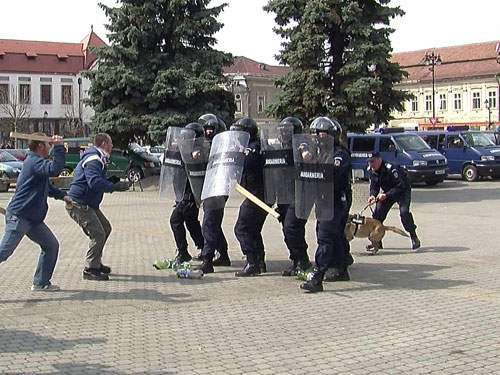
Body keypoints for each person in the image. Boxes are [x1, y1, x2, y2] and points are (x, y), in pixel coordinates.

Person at [0, 134, 71, 291]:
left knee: (51, 246)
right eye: (49, 145)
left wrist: (63, 196)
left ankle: (41, 282)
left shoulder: (35, 163)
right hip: (20, 216)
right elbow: (55, 169)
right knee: (3, 252)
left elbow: (46, 187)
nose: (50, 148)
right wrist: (59, 146)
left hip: (33, 219)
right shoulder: (34, 162)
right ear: (40, 146)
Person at [66, 133, 129, 281]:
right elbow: (94, 182)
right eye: (111, 143)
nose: (112, 146)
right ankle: (90, 269)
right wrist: (114, 187)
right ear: (103, 144)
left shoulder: (98, 157)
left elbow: (96, 179)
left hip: (87, 202)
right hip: (78, 203)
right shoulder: (94, 159)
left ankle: (96, 262)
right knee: (98, 234)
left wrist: (110, 180)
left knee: (105, 228)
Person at [300, 117, 352, 293]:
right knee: (335, 236)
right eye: (317, 133)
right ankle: (342, 267)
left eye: (323, 133)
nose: (319, 137)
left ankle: (318, 277)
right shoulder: (319, 153)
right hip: (322, 201)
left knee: (325, 237)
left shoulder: (340, 154)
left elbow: (331, 174)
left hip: (335, 201)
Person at [153, 123, 205, 268]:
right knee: (191, 221)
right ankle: (204, 247)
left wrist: (191, 155)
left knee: (175, 220)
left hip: (189, 195)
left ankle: (183, 252)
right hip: (182, 195)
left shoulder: (199, 152)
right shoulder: (183, 150)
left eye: (186, 138)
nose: (182, 140)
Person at [273, 117, 313, 277]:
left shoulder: (302, 143)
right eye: (282, 130)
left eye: (287, 130)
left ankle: (303, 260)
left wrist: (305, 153)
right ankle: (296, 260)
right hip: (285, 194)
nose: (283, 133)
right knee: (287, 228)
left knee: (292, 226)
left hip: (301, 192)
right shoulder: (281, 147)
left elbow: (306, 151)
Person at [232, 117, 268, 276]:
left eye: (241, 131)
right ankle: (259, 262)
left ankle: (253, 262)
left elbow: (244, 164)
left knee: (242, 228)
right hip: (255, 194)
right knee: (253, 229)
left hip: (257, 195)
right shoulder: (250, 147)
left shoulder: (253, 148)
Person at [196, 113, 230, 273]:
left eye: (211, 129)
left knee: (208, 225)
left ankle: (207, 259)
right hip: (208, 189)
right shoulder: (204, 145)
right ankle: (223, 254)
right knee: (214, 224)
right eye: (206, 128)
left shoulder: (222, 146)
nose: (208, 132)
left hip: (218, 189)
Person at [366, 152, 421, 250]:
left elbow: (400, 186)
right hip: (387, 194)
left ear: (379, 159)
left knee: (404, 213)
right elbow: (374, 185)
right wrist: (373, 196)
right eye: (369, 162)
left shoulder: (391, 168)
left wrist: (386, 195)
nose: (371, 164)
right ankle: (377, 240)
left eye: (373, 161)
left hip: (402, 192)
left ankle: (413, 236)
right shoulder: (372, 170)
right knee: (377, 216)